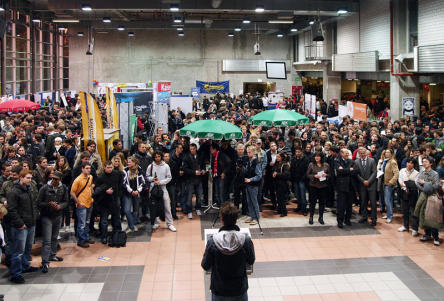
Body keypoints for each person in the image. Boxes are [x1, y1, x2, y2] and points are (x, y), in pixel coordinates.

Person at [201, 202, 255, 301]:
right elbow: (251, 260)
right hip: (239, 289)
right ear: (236, 219)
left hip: (219, 290)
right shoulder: (245, 240)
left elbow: (205, 265)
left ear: (221, 219)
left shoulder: (213, 241)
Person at [7, 169, 39, 283]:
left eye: (31, 178)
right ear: (21, 178)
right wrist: (20, 224)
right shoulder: (14, 192)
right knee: (18, 251)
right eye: (28, 178)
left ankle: (25, 266)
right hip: (21, 226)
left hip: (30, 223)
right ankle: (16, 274)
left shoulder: (28, 190)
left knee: (27, 248)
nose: (30, 180)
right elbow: (11, 210)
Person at [37, 171, 69, 273]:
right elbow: (38, 202)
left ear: (60, 180)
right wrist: (48, 204)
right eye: (53, 178)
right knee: (47, 240)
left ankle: (53, 255)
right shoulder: (44, 188)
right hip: (46, 216)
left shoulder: (63, 188)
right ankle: (45, 262)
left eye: (56, 179)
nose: (54, 181)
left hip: (57, 215)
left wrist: (60, 206)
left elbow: (66, 201)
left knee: (54, 237)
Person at [146, 151, 177, 232]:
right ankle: (156, 222)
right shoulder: (151, 166)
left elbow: (169, 177)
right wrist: (153, 179)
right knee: (154, 207)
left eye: (158, 156)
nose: (157, 158)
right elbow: (147, 177)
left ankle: (170, 223)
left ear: (161, 157)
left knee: (167, 206)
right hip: (153, 190)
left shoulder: (166, 166)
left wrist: (161, 182)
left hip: (163, 189)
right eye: (155, 157)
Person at [414, 156, 441, 246]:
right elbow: (418, 183)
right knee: (423, 215)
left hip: (432, 196)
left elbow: (435, 186)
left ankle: (436, 237)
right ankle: (427, 234)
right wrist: (425, 186)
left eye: (426, 162)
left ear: (430, 163)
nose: (424, 163)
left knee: (432, 216)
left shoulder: (435, 174)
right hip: (423, 195)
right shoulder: (422, 173)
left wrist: (425, 183)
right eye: (423, 161)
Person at [94, 161, 122, 244]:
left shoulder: (117, 174)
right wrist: (105, 191)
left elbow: (120, 184)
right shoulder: (100, 177)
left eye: (111, 167)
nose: (110, 169)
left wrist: (118, 194)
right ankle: (104, 236)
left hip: (115, 198)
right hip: (104, 201)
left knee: (116, 217)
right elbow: (97, 190)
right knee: (104, 220)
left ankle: (117, 234)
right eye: (108, 168)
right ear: (104, 167)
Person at [70, 162, 95, 248]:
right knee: (82, 224)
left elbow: (90, 187)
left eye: (89, 168)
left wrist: (93, 196)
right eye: (87, 168)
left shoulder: (90, 177)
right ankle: (81, 240)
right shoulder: (78, 180)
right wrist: (77, 202)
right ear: (82, 169)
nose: (89, 170)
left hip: (89, 202)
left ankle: (86, 237)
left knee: (87, 222)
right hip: (82, 204)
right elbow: (72, 192)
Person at [355, 147, 378, 226]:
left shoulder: (372, 160)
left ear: (366, 152)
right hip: (362, 185)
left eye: (363, 153)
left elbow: (374, 172)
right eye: (361, 153)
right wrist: (363, 181)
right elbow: (356, 174)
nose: (362, 154)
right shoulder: (356, 162)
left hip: (371, 185)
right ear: (359, 153)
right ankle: (364, 216)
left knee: (373, 203)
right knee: (363, 202)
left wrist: (368, 181)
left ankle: (374, 219)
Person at [122, 156, 145, 233]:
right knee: (127, 210)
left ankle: (133, 224)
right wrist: (131, 191)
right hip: (127, 193)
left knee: (136, 210)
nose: (128, 163)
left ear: (134, 163)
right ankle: (131, 225)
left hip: (136, 193)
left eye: (130, 162)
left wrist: (138, 191)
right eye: (128, 162)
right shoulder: (125, 170)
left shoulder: (139, 170)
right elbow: (124, 183)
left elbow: (143, 182)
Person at [182, 143, 205, 219]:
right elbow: (185, 169)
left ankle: (198, 208)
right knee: (189, 196)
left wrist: (203, 170)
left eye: (193, 149)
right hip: (190, 179)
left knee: (199, 195)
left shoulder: (200, 156)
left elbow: (203, 165)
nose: (191, 150)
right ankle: (189, 211)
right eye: (190, 149)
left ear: (196, 149)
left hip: (199, 179)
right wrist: (194, 172)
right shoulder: (186, 157)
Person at [306, 152, 330, 225]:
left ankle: (321, 217)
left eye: (318, 156)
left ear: (321, 157)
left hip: (323, 186)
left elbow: (330, 175)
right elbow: (307, 174)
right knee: (312, 202)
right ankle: (311, 217)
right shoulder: (311, 164)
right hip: (313, 186)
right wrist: (314, 176)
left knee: (322, 202)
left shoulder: (326, 165)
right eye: (315, 156)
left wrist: (326, 175)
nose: (316, 158)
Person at [398, 158, 419, 234]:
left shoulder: (417, 173)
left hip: (413, 193)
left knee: (413, 211)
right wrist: (404, 187)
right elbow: (400, 180)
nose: (409, 164)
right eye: (408, 163)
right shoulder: (402, 170)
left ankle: (414, 228)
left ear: (414, 164)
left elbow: (416, 183)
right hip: (404, 192)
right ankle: (405, 226)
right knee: (405, 210)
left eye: (411, 163)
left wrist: (408, 185)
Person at [377, 149, 399, 223]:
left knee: (388, 200)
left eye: (388, 152)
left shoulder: (393, 162)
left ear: (391, 154)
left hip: (389, 184)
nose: (386, 153)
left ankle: (390, 216)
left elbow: (396, 173)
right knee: (387, 200)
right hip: (384, 182)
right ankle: (388, 213)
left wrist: (392, 182)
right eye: (386, 152)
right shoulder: (385, 161)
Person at [242, 145, 262, 226]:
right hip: (248, 184)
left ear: (254, 152)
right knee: (249, 201)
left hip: (254, 185)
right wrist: (242, 166)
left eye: (249, 152)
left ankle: (256, 218)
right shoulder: (249, 161)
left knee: (254, 201)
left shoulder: (256, 162)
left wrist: (250, 179)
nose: (248, 153)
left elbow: (259, 175)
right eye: (247, 152)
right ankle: (252, 216)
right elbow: (247, 170)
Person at [290, 146, 309, 215]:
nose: (297, 153)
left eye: (299, 152)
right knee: (297, 195)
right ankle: (299, 206)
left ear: (301, 152)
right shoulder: (293, 158)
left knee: (303, 195)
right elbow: (292, 169)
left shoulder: (305, 159)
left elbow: (306, 170)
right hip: (295, 179)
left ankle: (304, 209)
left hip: (302, 179)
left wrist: (303, 178)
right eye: (296, 152)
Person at [272, 152, 290, 217]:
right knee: (278, 198)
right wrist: (273, 174)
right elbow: (274, 171)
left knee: (282, 198)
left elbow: (286, 175)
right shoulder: (276, 164)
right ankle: (279, 210)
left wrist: (277, 174)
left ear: (282, 157)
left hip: (283, 184)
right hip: (277, 183)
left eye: (278, 157)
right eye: (277, 157)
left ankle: (284, 212)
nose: (277, 158)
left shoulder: (285, 165)